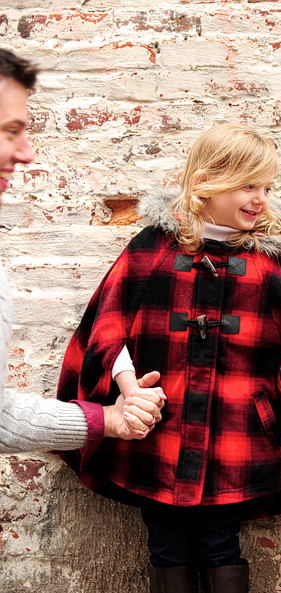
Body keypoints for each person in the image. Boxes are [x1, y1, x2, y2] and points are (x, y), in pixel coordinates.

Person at [56, 123, 281, 593]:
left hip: (233, 437)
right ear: (205, 182)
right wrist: (128, 386)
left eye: (266, 186)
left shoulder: (265, 263)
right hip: (158, 429)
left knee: (221, 543)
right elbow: (109, 331)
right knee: (166, 545)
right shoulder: (151, 250)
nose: (260, 198)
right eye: (247, 184)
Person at [0, 47, 163, 454]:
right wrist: (111, 411)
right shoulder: (150, 249)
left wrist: (109, 419)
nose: (26, 153)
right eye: (9, 131)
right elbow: (109, 329)